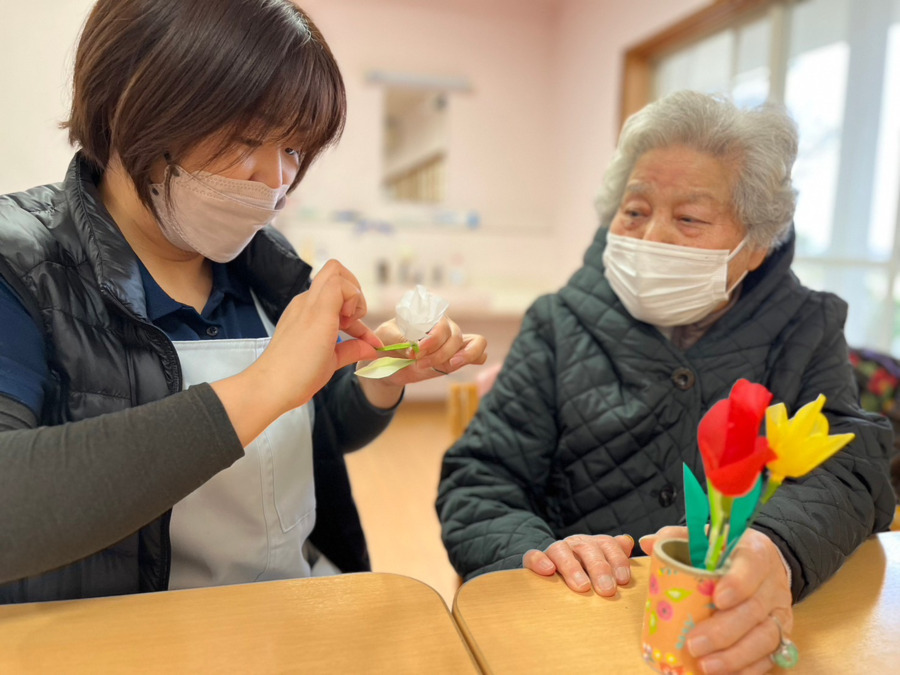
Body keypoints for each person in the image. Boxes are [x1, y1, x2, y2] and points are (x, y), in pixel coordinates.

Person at [0, 0, 486, 603]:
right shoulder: (21, 263)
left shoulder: (265, 269)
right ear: (134, 102)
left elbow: (305, 438)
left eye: (294, 151)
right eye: (248, 138)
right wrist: (262, 385)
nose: (275, 181)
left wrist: (379, 373)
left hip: (294, 618)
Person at [437, 90, 894, 673]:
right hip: (580, 624)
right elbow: (480, 479)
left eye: (690, 219)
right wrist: (543, 552)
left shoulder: (806, 326)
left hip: (735, 626)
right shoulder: (559, 321)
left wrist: (777, 549)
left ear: (754, 247)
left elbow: (854, 467)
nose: (650, 237)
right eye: (634, 211)